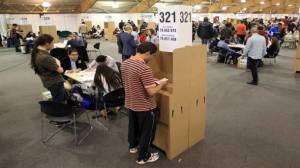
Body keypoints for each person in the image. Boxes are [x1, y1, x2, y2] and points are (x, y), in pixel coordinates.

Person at [121, 42, 168, 165]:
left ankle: (133, 147)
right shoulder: (144, 68)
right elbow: (151, 92)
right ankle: (143, 157)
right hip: (145, 106)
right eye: (152, 55)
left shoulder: (125, 63)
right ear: (147, 53)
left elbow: (134, 81)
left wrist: (152, 81)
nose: (152, 58)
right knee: (147, 133)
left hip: (131, 103)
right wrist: (161, 83)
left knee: (133, 127)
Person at [31, 34, 66, 103]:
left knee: (57, 98)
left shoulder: (37, 53)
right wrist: (59, 65)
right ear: (47, 44)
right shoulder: (45, 57)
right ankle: (59, 112)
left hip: (48, 81)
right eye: (52, 42)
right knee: (60, 102)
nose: (53, 44)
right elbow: (60, 70)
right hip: (55, 82)